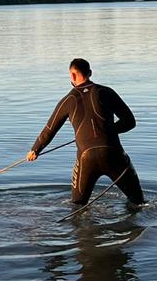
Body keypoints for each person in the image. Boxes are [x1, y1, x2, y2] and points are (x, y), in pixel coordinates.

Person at [28, 58, 146, 206]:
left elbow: (50, 129)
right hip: (114, 155)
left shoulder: (67, 100)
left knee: (77, 207)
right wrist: (106, 131)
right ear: (90, 73)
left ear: (72, 75)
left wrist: (35, 149)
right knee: (139, 203)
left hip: (86, 158)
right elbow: (130, 122)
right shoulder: (106, 92)